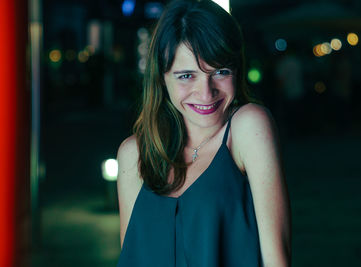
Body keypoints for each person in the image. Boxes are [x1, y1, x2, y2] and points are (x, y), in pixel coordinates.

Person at [116, 0, 291, 266]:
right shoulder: (133, 154)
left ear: (237, 70)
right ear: (162, 78)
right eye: (186, 76)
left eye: (220, 72)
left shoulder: (247, 127)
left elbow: (277, 260)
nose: (206, 93)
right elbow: (133, 257)